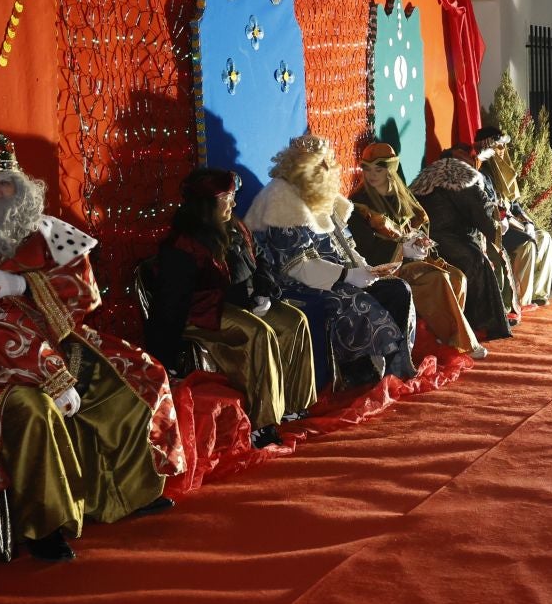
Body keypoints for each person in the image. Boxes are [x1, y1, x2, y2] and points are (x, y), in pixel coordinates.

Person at [0, 135, 179, 562]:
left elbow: (84, 293)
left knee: (134, 373)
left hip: (57, 345)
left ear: (21, 187)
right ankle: (45, 525)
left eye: (5, 183)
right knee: (34, 409)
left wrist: (26, 285)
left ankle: (129, 492)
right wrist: (52, 377)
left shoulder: (47, 233)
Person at [147, 169, 316, 445]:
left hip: (241, 301)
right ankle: (262, 423)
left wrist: (263, 290)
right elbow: (171, 301)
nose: (234, 203)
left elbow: (261, 260)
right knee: (259, 333)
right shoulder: (185, 243)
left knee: (294, 320)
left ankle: (292, 405)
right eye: (228, 198)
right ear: (208, 203)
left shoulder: (236, 227)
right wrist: (165, 354)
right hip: (203, 311)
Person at [246, 133, 418, 388]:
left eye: (327, 162)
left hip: (339, 275)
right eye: (319, 164)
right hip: (300, 285)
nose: (326, 169)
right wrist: (349, 276)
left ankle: (394, 360)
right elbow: (297, 266)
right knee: (353, 299)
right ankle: (360, 369)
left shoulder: (319, 193)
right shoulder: (281, 200)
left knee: (397, 288)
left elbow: (345, 245)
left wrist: (367, 270)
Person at [346, 143, 487, 359]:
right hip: (387, 267)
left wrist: (419, 241)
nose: (372, 175)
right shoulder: (359, 204)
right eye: (367, 169)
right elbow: (364, 246)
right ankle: (462, 341)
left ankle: (444, 335)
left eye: (378, 169)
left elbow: (420, 223)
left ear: (390, 170)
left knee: (457, 276)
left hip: (412, 261)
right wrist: (400, 249)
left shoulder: (403, 195)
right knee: (437, 280)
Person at [411, 150, 515, 345]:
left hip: (424, 245)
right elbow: (483, 213)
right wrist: (499, 226)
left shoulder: (424, 181)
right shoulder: (464, 182)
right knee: (479, 263)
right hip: (453, 242)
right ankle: (483, 324)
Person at [473, 127, 552, 307]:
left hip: (513, 224)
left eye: (504, 146)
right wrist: (517, 224)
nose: (503, 150)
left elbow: (515, 205)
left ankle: (537, 293)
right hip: (496, 228)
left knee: (544, 237)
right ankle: (521, 301)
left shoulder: (503, 173)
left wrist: (528, 222)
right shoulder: (482, 174)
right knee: (526, 244)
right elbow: (492, 209)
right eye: (499, 146)